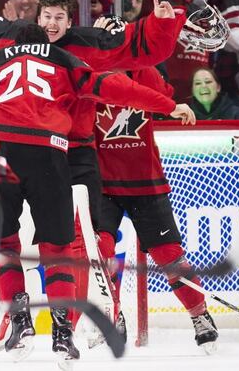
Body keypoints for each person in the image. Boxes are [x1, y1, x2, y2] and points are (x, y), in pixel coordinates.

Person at [0, 22, 196, 362]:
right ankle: (62, 332)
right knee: (58, 247)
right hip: (47, 150)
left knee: (2, 243)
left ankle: (20, 318)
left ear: (14, 43)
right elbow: (112, 86)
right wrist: (167, 105)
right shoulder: (63, 58)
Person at [93, 66, 220, 351]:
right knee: (100, 250)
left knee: (169, 256)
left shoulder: (143, 73)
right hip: (103, 184)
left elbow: (163, 98)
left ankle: (200, 315)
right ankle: (112, 314)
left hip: (145, 182)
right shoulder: (91, 71)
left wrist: (140, 63)